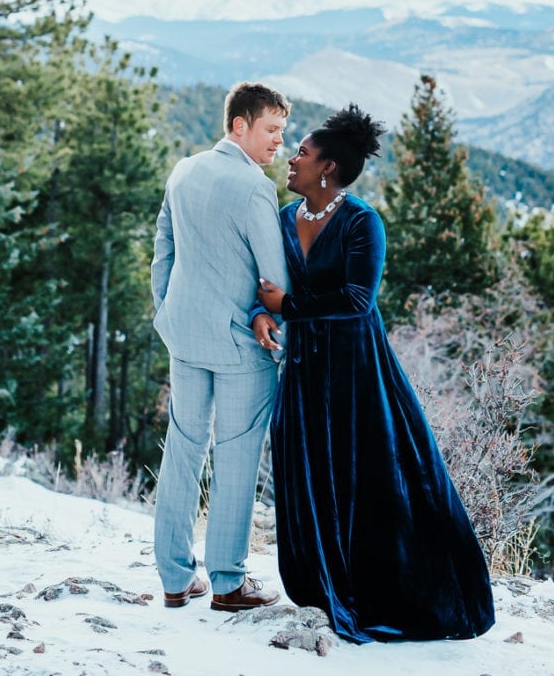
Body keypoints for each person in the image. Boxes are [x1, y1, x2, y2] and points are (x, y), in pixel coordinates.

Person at [255, 104, 496, 644]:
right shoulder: (281, 218)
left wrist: (289, 306)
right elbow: (263, 285)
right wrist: (262, 311)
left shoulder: (363, 221)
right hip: (303, 370)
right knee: (309, 469)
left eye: (303, 153)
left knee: (371, 478)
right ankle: (321, 584)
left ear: (329, 168)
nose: (292, 159)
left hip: (356, 370)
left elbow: (359, 300)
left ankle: (395, 593)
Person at [151, 81, 291, 613]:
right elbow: (274, 278)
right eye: (271, 129)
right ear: (240, 125)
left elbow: (163, 245)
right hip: (241, 347)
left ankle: (174, 578)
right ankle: (229, 583)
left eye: (282, 131)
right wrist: (279, 335)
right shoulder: (254, 187)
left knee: (183, 449)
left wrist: (164, 310)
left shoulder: (183, 169)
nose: (279, 141)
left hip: (184, 335)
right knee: (235, 458)